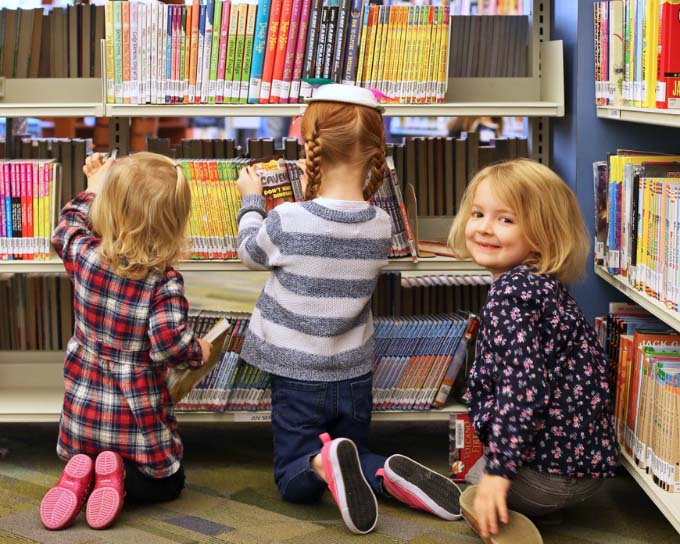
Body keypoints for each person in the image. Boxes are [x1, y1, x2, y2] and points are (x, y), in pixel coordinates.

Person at [236, 83, 462, 535]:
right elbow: (332, 228)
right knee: (354, 455)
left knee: (292, 475)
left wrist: (252, 199)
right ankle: (384, 473)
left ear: (309, 145)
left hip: (297, 374)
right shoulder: (379, 225)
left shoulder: (287, 220)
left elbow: (249, 252)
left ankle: (320, 463)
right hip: (354, 376)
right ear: (376, 152)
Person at [448, 159, 619, 541]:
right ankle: (544, 506)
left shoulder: (511, 295)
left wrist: (499, 473)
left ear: (543, 234)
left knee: (470, 484)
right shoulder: (542, 285)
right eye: (478, 214)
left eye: (506, 220)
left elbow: (523, 392)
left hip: (547, 476)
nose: (485, 228)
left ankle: (519, 505)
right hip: (584, 469)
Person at [40, 152, 212, 531]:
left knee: (87, 448)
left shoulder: (84, 255)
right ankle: (118, 476)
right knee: (170, 482)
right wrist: (200, 350)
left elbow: (64, 227)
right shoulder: (163, 282)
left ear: (108, 209)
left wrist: (92, 187)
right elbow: (169, 344)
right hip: (136, 416)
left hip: (84, 410)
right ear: (175, 224)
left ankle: (83, 469)